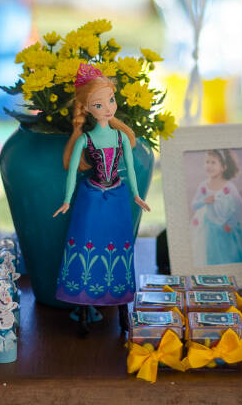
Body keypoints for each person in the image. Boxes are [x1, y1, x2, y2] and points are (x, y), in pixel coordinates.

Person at [53, 63, 150, 336]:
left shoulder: (121, 136)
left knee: (119, 249)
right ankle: (84, 310)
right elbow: (72, 171)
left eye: (111, 100)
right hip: (92, 199)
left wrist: (136, 195)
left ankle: (121, 310)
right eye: (100, 104)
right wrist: (66, 200)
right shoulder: (84, 140)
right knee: (87, 248)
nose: (108, 107)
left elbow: (130, 169)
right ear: (87, 109)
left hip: (117, 198)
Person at [190, 149, 242, 266]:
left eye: (213, 163)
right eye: (207, 162)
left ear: (223, 167)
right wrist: (204, 201)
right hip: (211, 227)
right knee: (214, 253)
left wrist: (230, 223)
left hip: (228, 226)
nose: (209, 166)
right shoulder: (203, 187)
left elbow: (239, 206)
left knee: (231, 252)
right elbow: (194, 204)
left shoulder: (229, 187)